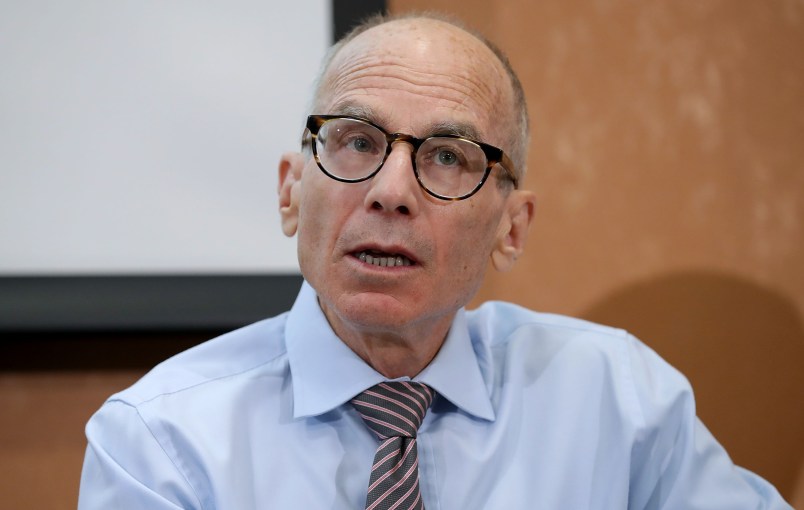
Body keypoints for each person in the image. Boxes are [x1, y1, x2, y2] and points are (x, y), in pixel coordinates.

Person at [78, 13, 793, 509]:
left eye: (448, 157)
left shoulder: (618, 401)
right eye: (357, 141)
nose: (391, 193)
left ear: (512, 229)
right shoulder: (158, 443)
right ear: (291, 192)